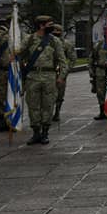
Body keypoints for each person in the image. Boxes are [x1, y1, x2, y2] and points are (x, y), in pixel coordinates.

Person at [18, 15, 66, 145]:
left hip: (49, 77)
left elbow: (62, 61)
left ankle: (45, 133)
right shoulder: (29, 39)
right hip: (32, 77)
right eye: (49, 24)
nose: (52, 26)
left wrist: (61, 77)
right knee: (33, 106)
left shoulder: (54, 41)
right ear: (41, 25)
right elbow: (19, 54)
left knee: (48, 105)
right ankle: (36, 133)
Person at [50, 24, 77, 122]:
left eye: (58, 31)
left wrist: (66, 69)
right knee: (48, 94)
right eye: (54, 31)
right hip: (48, 72)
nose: (56, 33)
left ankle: (57, 112)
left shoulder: (67, 44)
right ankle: (48, 113)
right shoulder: (47, 43)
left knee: (60, 94)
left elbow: (73, 59)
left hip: (61, 73)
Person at [89, 35, 107, 121]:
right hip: (100, 72)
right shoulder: (98, 45)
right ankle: (102, 112)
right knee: (100, 93)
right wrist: (91, 71)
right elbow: (91, 59)